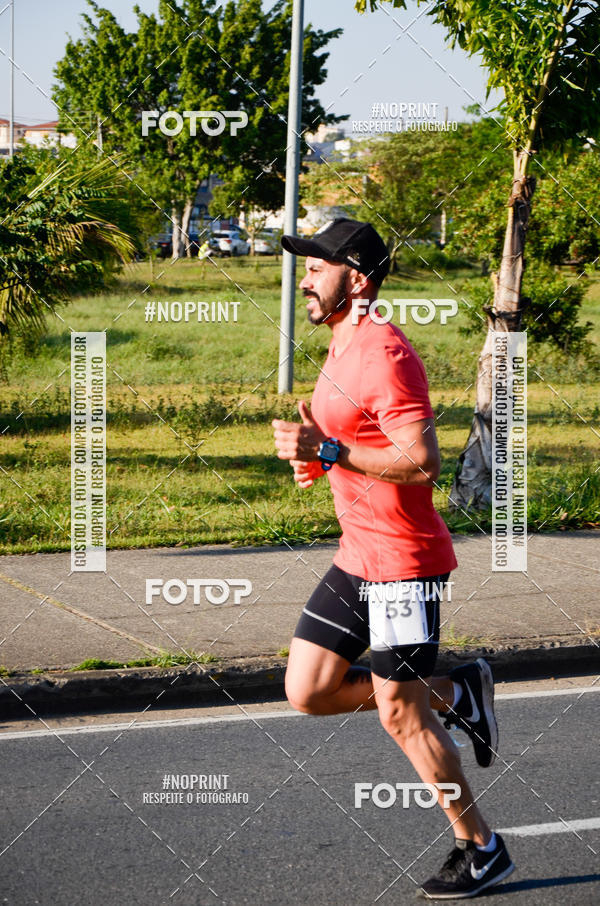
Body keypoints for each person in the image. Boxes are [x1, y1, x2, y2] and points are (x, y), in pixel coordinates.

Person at [272, 218, 514, 899]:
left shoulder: (385, 353)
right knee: (309, 690)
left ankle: (481, 846)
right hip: (360, 554)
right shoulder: (340, 346)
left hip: (404, 566)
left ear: (359, 277)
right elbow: (348, 439)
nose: (306, 278)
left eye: (317, 266)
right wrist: (317, 457)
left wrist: (330, 452)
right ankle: (459, 688)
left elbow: (420, 461)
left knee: (399, 714)